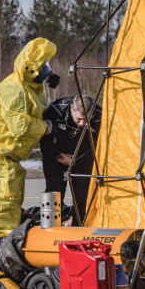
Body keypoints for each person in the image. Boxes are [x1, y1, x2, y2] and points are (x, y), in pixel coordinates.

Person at [0, 38, 60, 246]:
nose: (47, 70)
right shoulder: (14, 90)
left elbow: (34, 112)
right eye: (43, 66)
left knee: (9, 215)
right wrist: (47, 127)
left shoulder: (28, 88)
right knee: (3, 221)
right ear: (32, 68)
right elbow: (20, 126)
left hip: (3, 159)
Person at [39, 94, 101, 226]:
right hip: (57, 157)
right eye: (79, 119)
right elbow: (44, 141)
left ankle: (78, 225)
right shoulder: (56, 110)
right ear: (72, 108)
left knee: (83, 197)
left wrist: (77, 160)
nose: (82, 124)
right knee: (53, 191)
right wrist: (58, 157)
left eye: (86, 120)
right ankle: (48, 226)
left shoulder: (99, 115)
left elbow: (100, 146)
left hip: (83, 159)